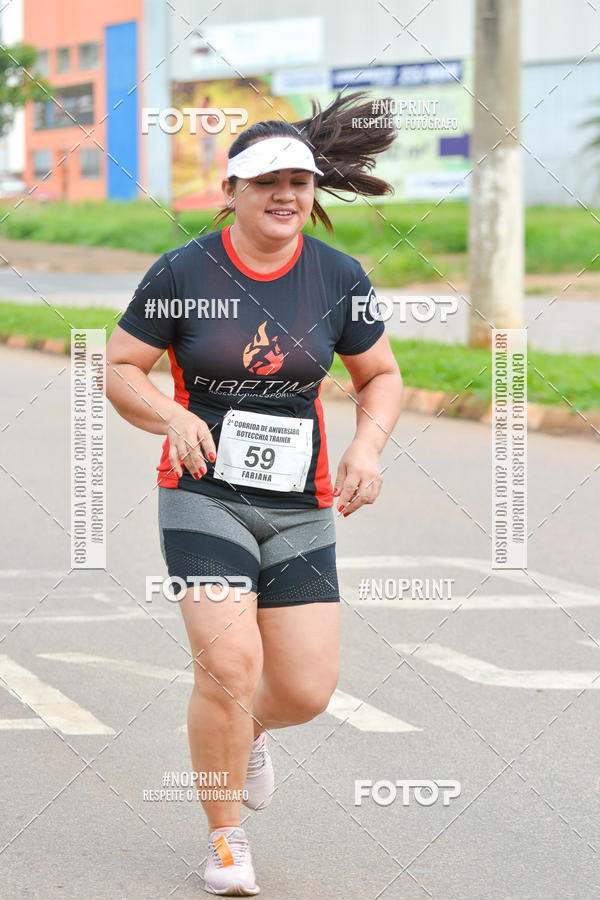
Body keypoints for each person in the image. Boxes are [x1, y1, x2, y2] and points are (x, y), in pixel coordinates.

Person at [106, 91, 403, 896]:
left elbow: (379, 376)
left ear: (313, 191)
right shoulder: (183, 270)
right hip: (203, 493)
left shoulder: (337, 276)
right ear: (229, 191)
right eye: (266, 181)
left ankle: (249, 735)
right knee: (229, 664)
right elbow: (120, 368)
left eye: (299, 182)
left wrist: (368, 447)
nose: (286, 195)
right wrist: (170, 414)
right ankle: (227, 839)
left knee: (306, 688)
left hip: (298, 504)